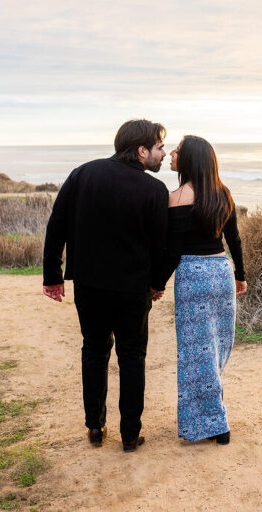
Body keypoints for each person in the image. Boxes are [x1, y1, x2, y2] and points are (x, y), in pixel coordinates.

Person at [42, 119, 169, 453]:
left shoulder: (83, 174)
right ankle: (130, 435)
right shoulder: (155, 191)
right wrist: (157, 284)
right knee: (131, 356)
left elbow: (57, 225)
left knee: (94, 350)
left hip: (89, 285)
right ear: (142, 151)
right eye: (159, 147)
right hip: (132, 289)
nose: (163, 153)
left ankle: (95, 427)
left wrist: (52, 276)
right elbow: (162, 246)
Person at [161, 135, 246, 444]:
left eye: (178, 151)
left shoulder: (178, 196)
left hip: (193, 275)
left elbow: (173, 250)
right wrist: (241, 275)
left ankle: (213, 423)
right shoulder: (224, 194)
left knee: (195, 354)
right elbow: (233, 239)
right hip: (221, 272)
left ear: (191, 159)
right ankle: (211, 417)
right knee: (217, 347)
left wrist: (158, 284)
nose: (172, 153)